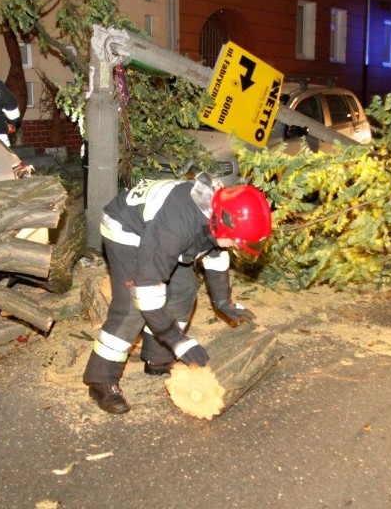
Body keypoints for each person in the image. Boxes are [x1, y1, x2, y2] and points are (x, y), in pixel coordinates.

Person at [83, 174, 272, 414]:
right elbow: (147, 286)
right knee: (132, 306)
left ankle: (157, 357)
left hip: (160, 231)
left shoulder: (217, 211)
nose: (235, 246)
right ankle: (100, 379)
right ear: (221, 223)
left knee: (183, 289)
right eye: (234, 241)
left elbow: (216, 253)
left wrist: (223, 301)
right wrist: (177, 340)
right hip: (126, 227)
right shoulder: (176, 227)